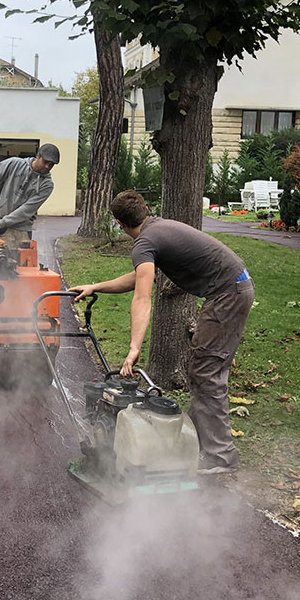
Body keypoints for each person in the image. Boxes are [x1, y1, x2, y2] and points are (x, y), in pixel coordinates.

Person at [70, 190, 254, 476]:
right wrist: (96, 287)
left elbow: (143, 298)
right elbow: (138, 278)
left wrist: (133, 348)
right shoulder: (156, 230)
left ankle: (220, 456)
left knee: (207, 371)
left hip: (228, 293)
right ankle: (195, 447)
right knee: (202, 370)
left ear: (120, 223)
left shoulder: (145, 241)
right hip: (232, 288)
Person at [0, 144, 60, 248]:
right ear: (38, 156)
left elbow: (26, 210)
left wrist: (0, 224)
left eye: (51, 165)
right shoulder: (14, 164)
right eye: (45, 162)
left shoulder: (47, 185)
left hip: (21, 231)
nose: (47, 167)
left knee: (15, 263)